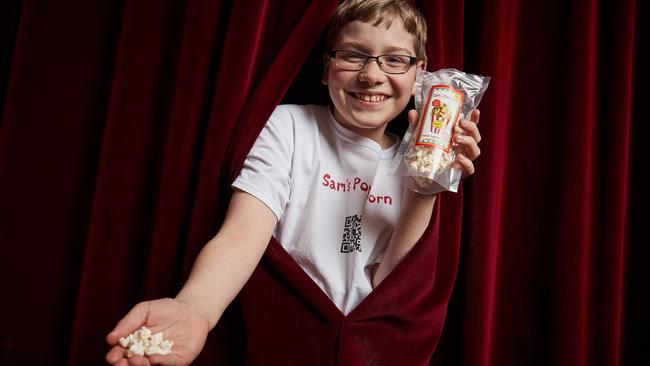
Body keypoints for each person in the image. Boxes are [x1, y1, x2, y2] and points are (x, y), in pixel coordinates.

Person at [106, 0, 482, 364]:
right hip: (289, 344)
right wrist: (195, 308)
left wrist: (423, 190)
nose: (372, 74)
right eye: (353, 55)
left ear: (420, 75)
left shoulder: (421, 159)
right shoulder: (289, 128)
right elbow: (241, 235)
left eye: (395, 60)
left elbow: (393, 291)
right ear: (325, 68)